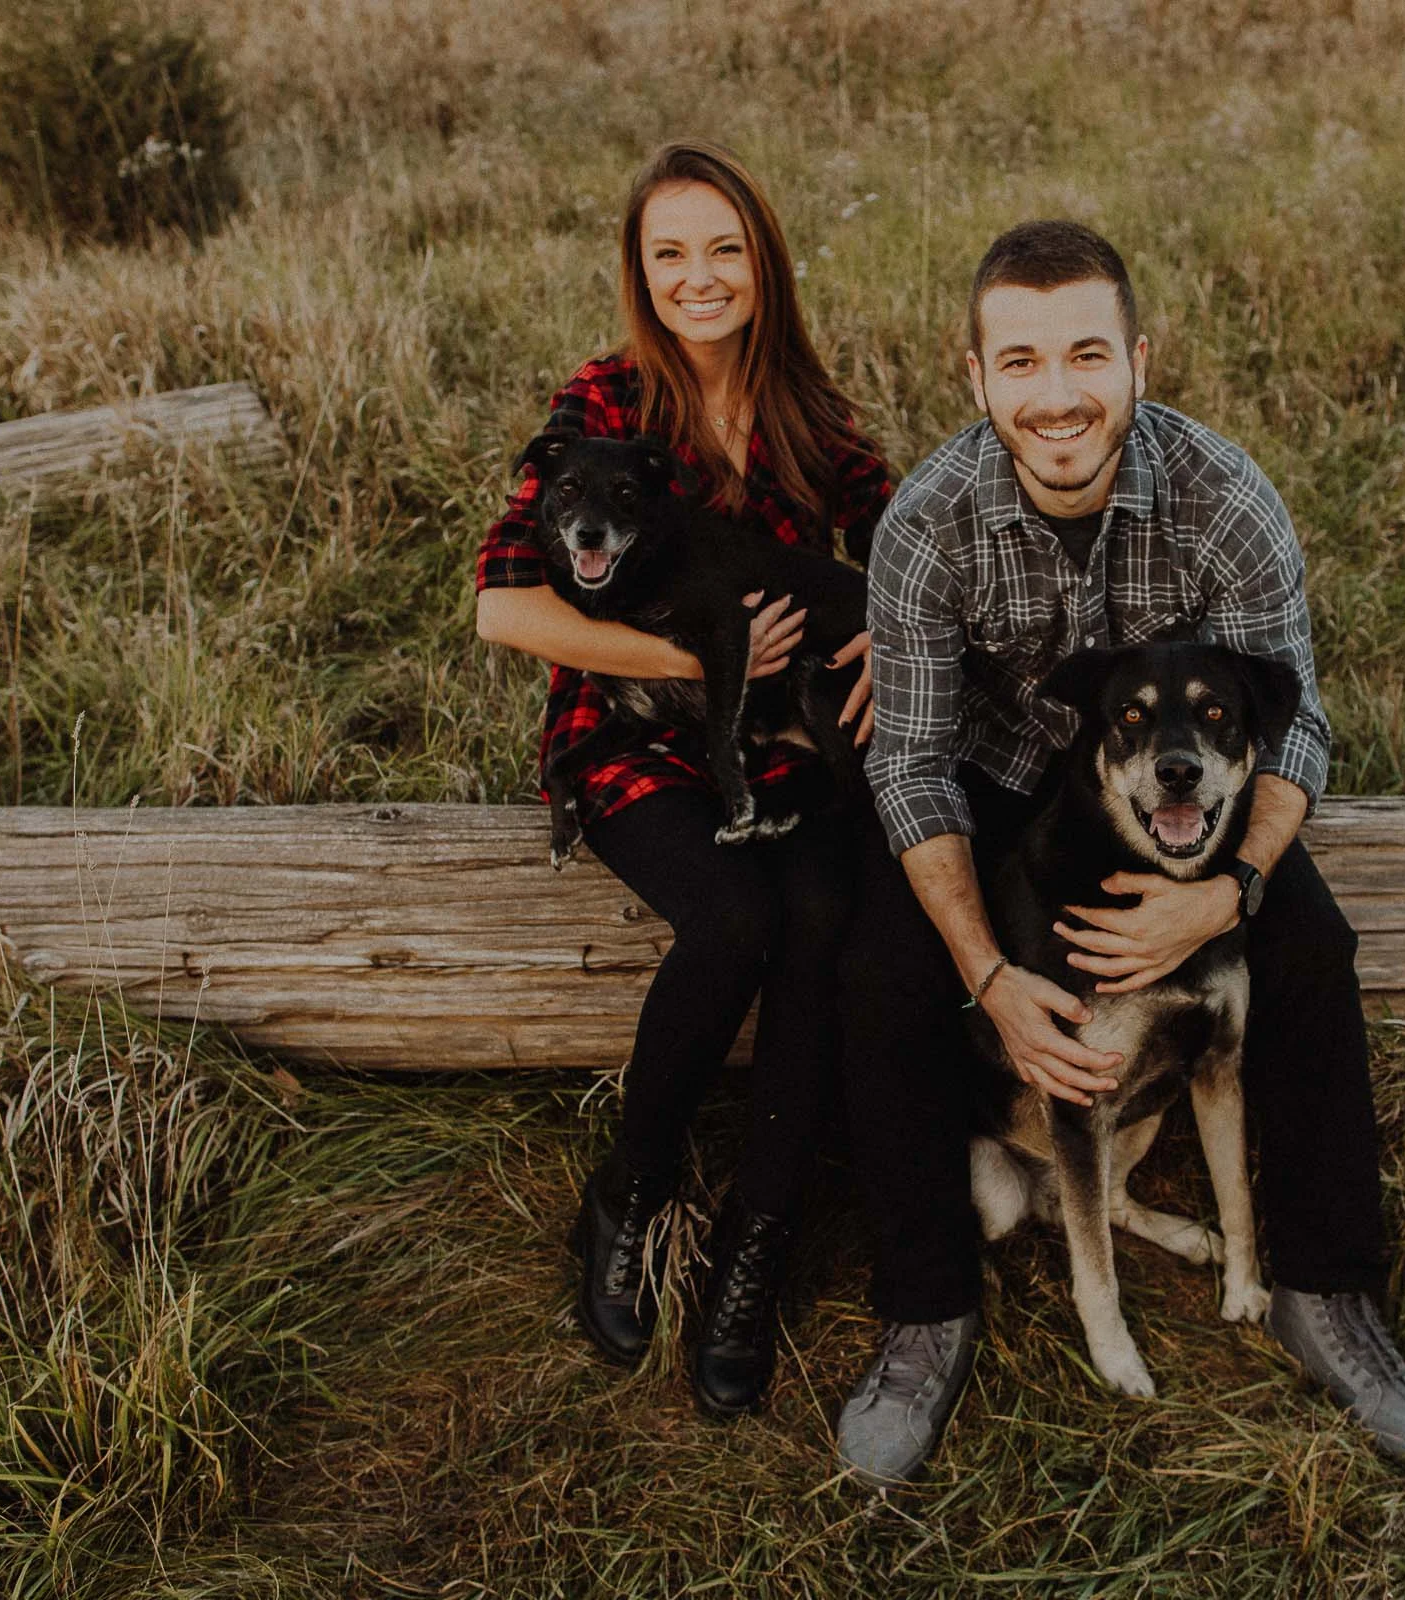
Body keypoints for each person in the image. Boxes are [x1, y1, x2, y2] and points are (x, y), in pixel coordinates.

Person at [830, 220, 1405, 1482]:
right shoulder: (930, 518)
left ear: (1138, 360)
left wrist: (1232, 892)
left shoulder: (1226, 498)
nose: (1056, 395)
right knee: (885, 971)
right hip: (994, 782)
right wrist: (989, 974)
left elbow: (1297, 728)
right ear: (976, 375)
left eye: (1086, 355)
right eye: (1021, 362)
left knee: (1311, 950)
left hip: (1188, 800)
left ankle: (1325, 1289)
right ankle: (926, 1309)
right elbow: (909, 764)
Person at [472, 139, 892, 1418]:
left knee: (822, 913)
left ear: (764, 261)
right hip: (629, 732)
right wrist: (689, 658)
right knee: (735, 915)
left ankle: (755, 1242)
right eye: (669, 254)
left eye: (723, 249)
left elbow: (902, 541)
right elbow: (504, 606)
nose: (698, 277)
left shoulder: (814, 411)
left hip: (781, 747)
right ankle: (634, 1188)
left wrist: (895, 631)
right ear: (639, 271)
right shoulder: (603, 400)